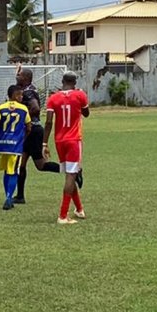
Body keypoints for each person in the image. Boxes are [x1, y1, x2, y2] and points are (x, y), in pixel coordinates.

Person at [44, 72, 90, 225]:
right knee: (71, 176)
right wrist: (81, 98)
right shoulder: (80, 95)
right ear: (75, 82)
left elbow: (49, 122)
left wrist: (44, 143)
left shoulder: (53, 98)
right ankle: (63, 216)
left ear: (62, 81)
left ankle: (79, 209)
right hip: (73, 140)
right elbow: (86, 113)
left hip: (59, 141)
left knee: (70, 174)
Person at [13, 64, 61, 204]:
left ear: (26, 78)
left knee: (40, 165)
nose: (17, 77)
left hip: (33, 131)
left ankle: (72, 171)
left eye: (20, 75)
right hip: (27, 132)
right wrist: (17, 71)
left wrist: (24, 117)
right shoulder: (24, 89)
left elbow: (36, 108)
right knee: (21, 164)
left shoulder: (29, 92)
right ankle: (20, 196)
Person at [0, 84, 30, 210]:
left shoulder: (0, 108)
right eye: (20, 94)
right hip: (15, 146)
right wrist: (23, 137)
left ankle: (7, 196)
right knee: (14, 171)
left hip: (3, 145)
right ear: (14, 95)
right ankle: (9, 198)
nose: (22, 97)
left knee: (7, 170)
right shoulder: (23, 109)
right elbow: (29, 126)